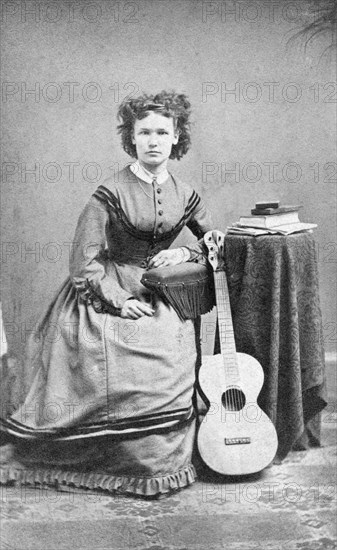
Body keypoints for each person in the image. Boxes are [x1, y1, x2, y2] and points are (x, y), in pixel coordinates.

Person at [0, 91, 213, 498]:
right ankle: (103, 457)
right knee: (120, 355)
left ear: (176, 138)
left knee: (173, 349)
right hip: (105, 290)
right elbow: (84, 260)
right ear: (130, 139)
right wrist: (118, 299)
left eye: (162, 132)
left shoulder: (186, 192)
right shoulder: (109, 192)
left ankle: (161, 462)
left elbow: (213, 243)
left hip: (161, 293)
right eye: (144, 132)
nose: (153, 140)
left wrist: (183, 251)